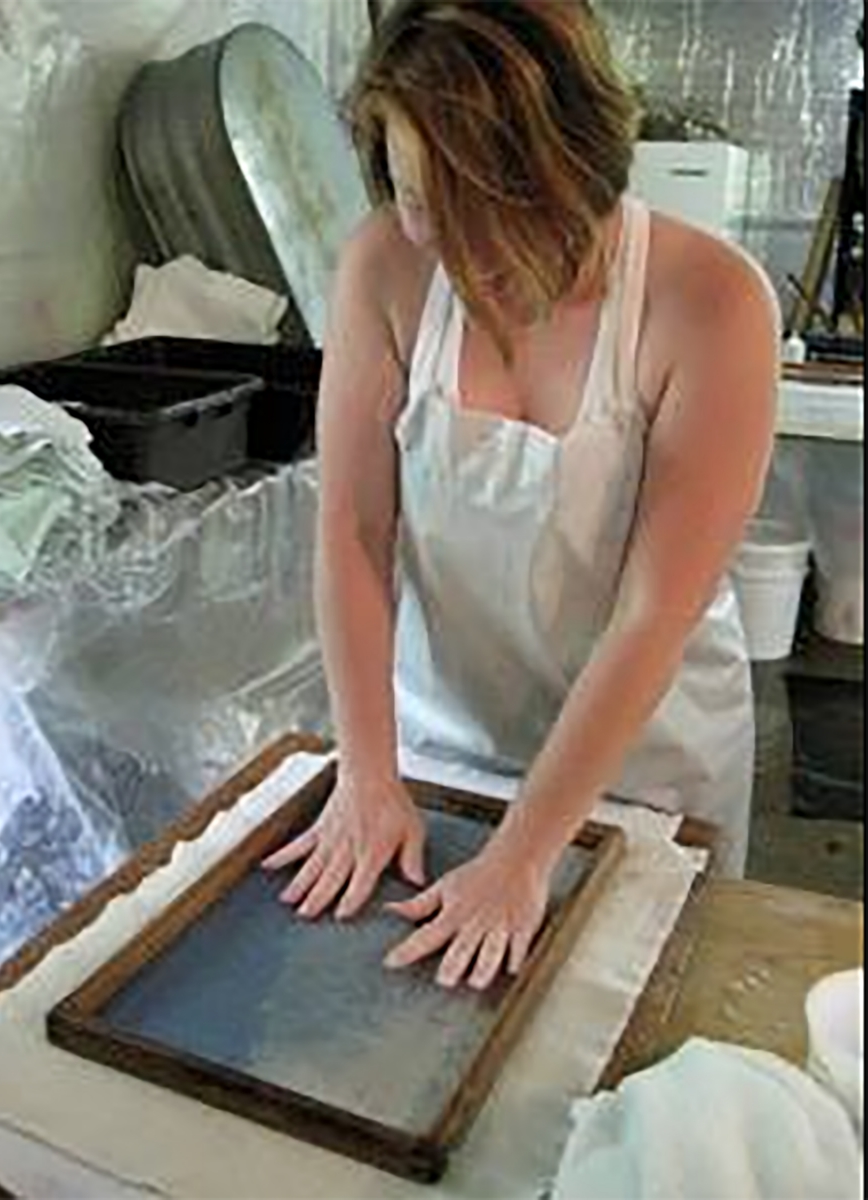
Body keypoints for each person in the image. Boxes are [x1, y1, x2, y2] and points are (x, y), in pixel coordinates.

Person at [263, 0, 779, 990]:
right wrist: (369, 775)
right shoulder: (384, 264)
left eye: (495, 201)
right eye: (421, 197)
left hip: (644, 761)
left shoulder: (709, 302)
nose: (457, 248)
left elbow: (650, 612)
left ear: (580, 165)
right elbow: (354, 529)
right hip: (443, 743)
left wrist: (526, 854)